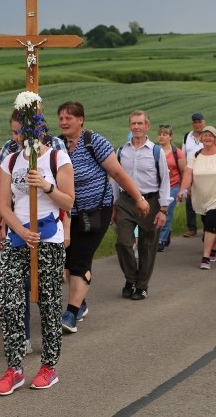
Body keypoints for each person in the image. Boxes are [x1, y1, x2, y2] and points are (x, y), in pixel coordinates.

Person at [0, 123, 75, 395]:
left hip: (48, 238)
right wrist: (22, 231)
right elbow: (4, 204)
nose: (17, 136)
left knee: (49, 302)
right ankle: (14, 367)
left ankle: (48, 366)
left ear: (39, 130)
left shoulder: (57, 157)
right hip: (19, 237)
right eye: (14, 131)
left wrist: (46, 185)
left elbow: (69, 202)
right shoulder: (11, 159)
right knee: (8, 300)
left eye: (23, 131)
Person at [57, 101, 149, 332]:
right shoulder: (58, 145)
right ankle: (80, 302)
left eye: (69, 118)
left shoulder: (94, 142)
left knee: (80, 260)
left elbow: (118, 173)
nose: (64, 122)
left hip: (96, 211)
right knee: (67, 262)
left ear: (81, 120)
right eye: (61, 118)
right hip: (68, 214)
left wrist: (138, 198)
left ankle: (70, 313)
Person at [113, 111, 171, 300]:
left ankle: (142, 285)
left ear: (147, 126)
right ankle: (130, 278)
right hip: (126, 201)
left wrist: (163, 209)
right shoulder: (122, 151)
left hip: (151, 201)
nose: (136, 127)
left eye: (140, 123)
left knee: (147, 244)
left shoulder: (156, 151)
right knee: (123, 242)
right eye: (133, 123)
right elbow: (115, 178)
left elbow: (165, 181)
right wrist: (115, 205)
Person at [177, 125, 216, 269]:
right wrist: (182, 190)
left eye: (211, 136)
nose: (208, 138)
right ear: (201, 138)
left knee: (210, 223)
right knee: (208, 223)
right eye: (205, 135)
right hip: (201, 195)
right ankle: (215, 249)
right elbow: (188, 174)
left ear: (215, 139)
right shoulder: (195, 155)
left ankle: (205, 258)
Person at [157, 124, 186, 252]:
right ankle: (164, 234)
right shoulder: (155, 150)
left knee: (166, 212)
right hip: (158, 187)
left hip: (173, 186)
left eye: (165, 134)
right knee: (156, 213)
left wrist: (183, 190)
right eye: (160, 134)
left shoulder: (177, 152)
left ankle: (161, 240)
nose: (161, 136)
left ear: (170, 137)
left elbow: (184, 171)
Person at [180, 112, 206, 238]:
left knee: (205, 200)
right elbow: (183, 156)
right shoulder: (187, 137)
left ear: (204, 122)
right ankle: (191, 227)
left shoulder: (208, 136)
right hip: (191, 172)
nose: (197, 124)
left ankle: (207, 227)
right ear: (192, 124)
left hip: (205, 173)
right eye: (195, 122)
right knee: (190, 200)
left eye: (199, 122)